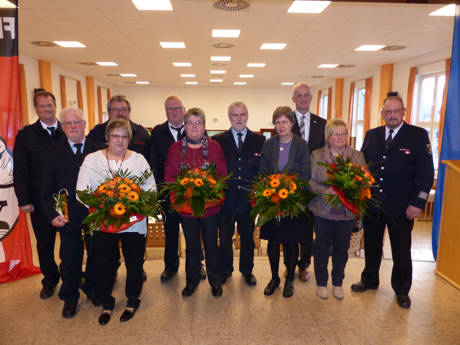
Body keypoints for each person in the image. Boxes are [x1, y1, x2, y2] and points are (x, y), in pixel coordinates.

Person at [351, 93, 434, 309]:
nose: (392, 115)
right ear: (382, 114)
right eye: (387, 111)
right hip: (373, 204)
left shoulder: (417, 135)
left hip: (402, 206)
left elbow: (426, 173)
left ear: (404, 112)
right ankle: (369, 279)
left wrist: (417, 202)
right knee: (371, 245)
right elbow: (363, 167)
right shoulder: (372, 135)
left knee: (401, 250)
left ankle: (401, 290)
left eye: (396, 111)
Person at [77, 119, 156, 325]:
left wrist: (132, 210)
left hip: (133, 222)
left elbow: (150, 190)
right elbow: (81, 192)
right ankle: (107, 302)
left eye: (124, 136)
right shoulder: (92, 160)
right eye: (115, 136)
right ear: (107, 138)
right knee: (104, 263)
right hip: (103, 223)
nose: (120, 140)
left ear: (129, 139)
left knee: (134, 263)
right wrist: (103, 209)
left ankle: (132, 299)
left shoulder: (138, 160)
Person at [41, 107, 104, 318]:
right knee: (70, 256)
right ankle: (69, 298)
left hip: (95, 210)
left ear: (85, 124)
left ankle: (93, 289)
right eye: (68, 123)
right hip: (66, 211)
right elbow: (45, 188)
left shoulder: (99, 149)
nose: (73, 126)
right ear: (62, 127)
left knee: (96, 253)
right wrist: (51, 214)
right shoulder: (52, 151)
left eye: (77, 122)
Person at [164, 108, 227, 297]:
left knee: (211, 245)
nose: (194, 127)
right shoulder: (175, 149)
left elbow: (222, 176)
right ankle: (191, 281)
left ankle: (215, 281)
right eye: (190, 123)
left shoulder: (215, 147)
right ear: (184, 125)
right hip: (186, 209)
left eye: (198, 123)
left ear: (204, 126)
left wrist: (210, 193)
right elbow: (170, 178)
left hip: (210, 208)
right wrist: (183, 194)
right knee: (191, 247)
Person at [88, 94, 150, 281]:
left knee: (135, 245)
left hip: (135, 204)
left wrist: (142, 199)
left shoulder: (142, 133)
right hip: (105, 204)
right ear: (109, 112)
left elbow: (150, 165)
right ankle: (109, 271)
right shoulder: (95, 133)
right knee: (106, 246)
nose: (120, 113)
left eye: (124, 109)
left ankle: (137, 269)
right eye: (116, 109)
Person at [13, 90, 65, 299]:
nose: (47, 109)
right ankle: (50, 279)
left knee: (71, 242)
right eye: (42, 106)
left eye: (50, 105)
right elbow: (20, 170)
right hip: (38, 199)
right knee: (45, 243)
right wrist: (23, 199)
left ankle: (73, 275)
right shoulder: (26, 136)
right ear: (36, 109)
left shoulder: (67, 130)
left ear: (55, 105)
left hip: (65, 198)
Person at [149, 95, 206, 282]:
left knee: (194, 233)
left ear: (183, 109)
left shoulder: (194, 130)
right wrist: (157, 193)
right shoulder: (157, 133)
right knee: (171, 232)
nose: (174, 112)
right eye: (170, 109)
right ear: (166, 112)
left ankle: (198, 266)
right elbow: (154, 163)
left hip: (193, 194)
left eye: (177, 108)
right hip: (169, 194)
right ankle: (171, 267)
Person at [309, 119, 366, 300]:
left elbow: (364, 181)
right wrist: (325, 190)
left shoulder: (357, 156)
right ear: (328, 136)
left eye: (343, 133)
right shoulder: (317, 155)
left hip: (346, 214)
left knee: (342, 249)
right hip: (322, 211)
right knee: (322, 248)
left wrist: (348, 189)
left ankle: (338, 283)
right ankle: (321, 283)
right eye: (335, 134)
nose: (340, 137)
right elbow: (309, 181)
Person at [259, 106, 311, 298]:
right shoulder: (268, 144)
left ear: (292, 123)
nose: (281, 126)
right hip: (272, 201)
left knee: (290, 243)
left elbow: (306, 173)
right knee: (273, 243)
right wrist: (272, 189)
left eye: (285, 122)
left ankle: (289, 280)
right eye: (277, 122)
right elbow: (263, 171)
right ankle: (274, 278)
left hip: (293, 201)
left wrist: (289, 188)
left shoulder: (301, 145)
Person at [213, 101, 265, 286]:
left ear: (247, 116)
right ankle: (225, 270)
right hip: (226, 199)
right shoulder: (218, 140)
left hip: (248, 200)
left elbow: (262, 170)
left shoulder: (259, 140)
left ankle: (247, 270)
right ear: (229, 117)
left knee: (248, 239)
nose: (239, 118)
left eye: (242, 114)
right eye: (235, 115)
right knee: (225, 239)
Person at [290, 82, 326, 282]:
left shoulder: (321, 124)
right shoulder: (286, 121)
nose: (303, 98)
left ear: (311, 98)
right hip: (291, 185)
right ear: (293, 99)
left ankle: (303, 265)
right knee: (292, 227)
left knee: (308, 228)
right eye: (299, 95)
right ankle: (289, 263)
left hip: (313, 186)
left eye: (306, 95)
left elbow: (325, 154)